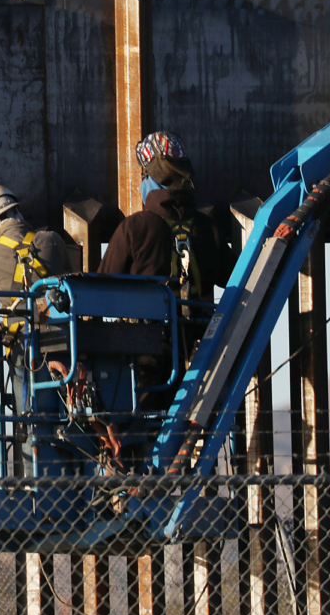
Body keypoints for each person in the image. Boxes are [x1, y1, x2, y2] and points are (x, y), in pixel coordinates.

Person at [99, 131, 232, 410]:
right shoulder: (209, 229)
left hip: (146, 351)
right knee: (193, 430)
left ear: (149, 178)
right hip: (201, 348)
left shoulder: (135, 227)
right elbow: (231, 278)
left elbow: (102, 288)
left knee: (141, 430)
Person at [0, 183, 73, 474]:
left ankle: (37, 488)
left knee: (30, 418)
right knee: (68, 414)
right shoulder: (52, 239)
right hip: (65, 344)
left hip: (24, 353)